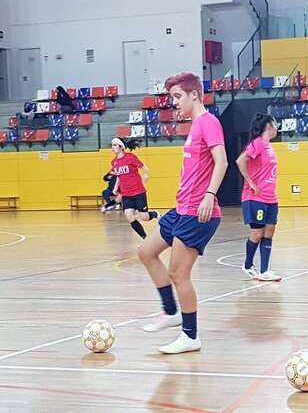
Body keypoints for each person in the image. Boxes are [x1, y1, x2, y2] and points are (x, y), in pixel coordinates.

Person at [137, 72, 227, 354]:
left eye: (177, 96)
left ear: (194, 95)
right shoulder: (195, 126)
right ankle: (171, 311)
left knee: (178, 273)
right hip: (181, 209)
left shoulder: (209, 122)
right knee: (146, 252)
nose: (174, 102)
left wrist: (209, 195)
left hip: (198, 212)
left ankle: (190, 336)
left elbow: (222, 162)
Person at [236, 113, 281, 282]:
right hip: (256, 197)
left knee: (269, 232)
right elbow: (240, 160)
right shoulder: (258, 143)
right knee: (257, 233)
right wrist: (251, 182)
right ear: (269, 126)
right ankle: (248, 265)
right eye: (275, 124)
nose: (277, 128)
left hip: (271, 197)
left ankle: (265, 270)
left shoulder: (268, 146)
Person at [110, 138, 159, 238]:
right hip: (126, 194)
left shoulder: (130, 157)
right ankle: (145, 238)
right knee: (129, 217)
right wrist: (115, 188)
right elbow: (119, 176)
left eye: (115, 145)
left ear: (121, 147)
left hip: (138, 192)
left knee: (144, 217)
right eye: (112, 145)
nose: (112, 147)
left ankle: (154, 214)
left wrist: (146, 175)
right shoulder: (114, 162)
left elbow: (145, 167)